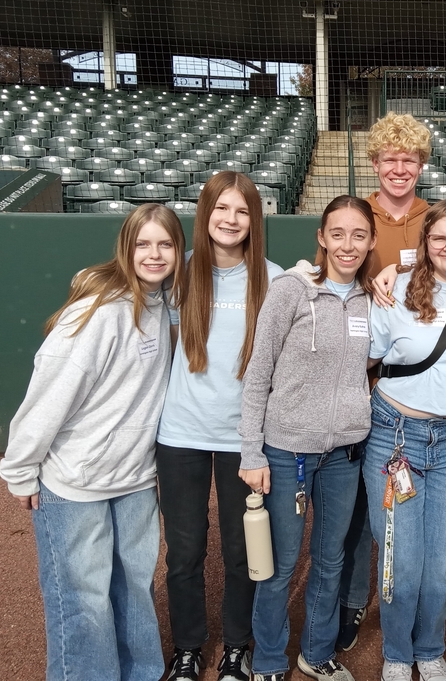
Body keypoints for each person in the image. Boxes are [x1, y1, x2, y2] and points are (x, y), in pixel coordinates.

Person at [0, 203, 185, 681]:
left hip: (136, 479)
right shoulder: (96, 313)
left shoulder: (165, 303)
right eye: (143, 243)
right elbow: (48, 394)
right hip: (76, 482)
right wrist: (21, 469)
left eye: (165, 243)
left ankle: (142, 674)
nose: (154, 254)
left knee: (134, 588)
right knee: (84, 599)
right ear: (126, 248)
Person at [238, 195, 376, 681]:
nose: (347, 244)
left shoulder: (371, 298)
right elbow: (258, 374)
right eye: (337, 234)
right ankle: (270, 659)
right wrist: (251, 449)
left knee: (330, 558)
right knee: (279, 564)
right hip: (286, 450)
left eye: (359, 235)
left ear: (371, 241)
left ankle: (316, 655)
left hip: (345, 453)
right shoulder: (290, 291)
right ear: (321, 237)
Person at [158, 172, 285, 681]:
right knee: (184, 552)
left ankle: (237, 647)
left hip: (243, 440)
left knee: (241, 550)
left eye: (241, 211)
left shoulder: (275, 280)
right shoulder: (179, 274)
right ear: (205, 214)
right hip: (180, 436)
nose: (231, 220)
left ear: (254, 219)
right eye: (221, 209)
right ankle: (187, 649)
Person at [364, 199, 446, 681]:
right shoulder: (394, 289)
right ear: (425, 244)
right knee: (401, 556)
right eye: (439, 238)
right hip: (394, 436)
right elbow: (370, 357)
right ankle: (398, 652)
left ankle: (429, 646)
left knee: (442, 562)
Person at [338, 111, 432, 652]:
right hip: (356, 374)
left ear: (421, 164)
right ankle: (353, 604)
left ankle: (410, 602)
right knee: (354, 509)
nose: (399, 168)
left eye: (409, 159)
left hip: (411, 382)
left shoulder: (434, 216)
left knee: (402, 505)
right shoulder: (356, 214)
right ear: (375, 163)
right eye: (389, 159)